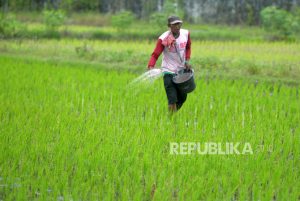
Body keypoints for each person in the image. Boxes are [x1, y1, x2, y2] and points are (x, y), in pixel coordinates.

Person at [148, 15, 192, 113]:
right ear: (169, 25)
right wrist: (151, 66)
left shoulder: (186, 34)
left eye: (179, 24)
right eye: (174, 24)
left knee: (183, 97)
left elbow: (188, 47)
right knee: (172, 99)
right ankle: (170, 120)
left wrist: (188, 60)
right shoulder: (163, 38)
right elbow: (155, 54)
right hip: (168, 71)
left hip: (181, 71)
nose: (177, 26)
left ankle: (172, 114)